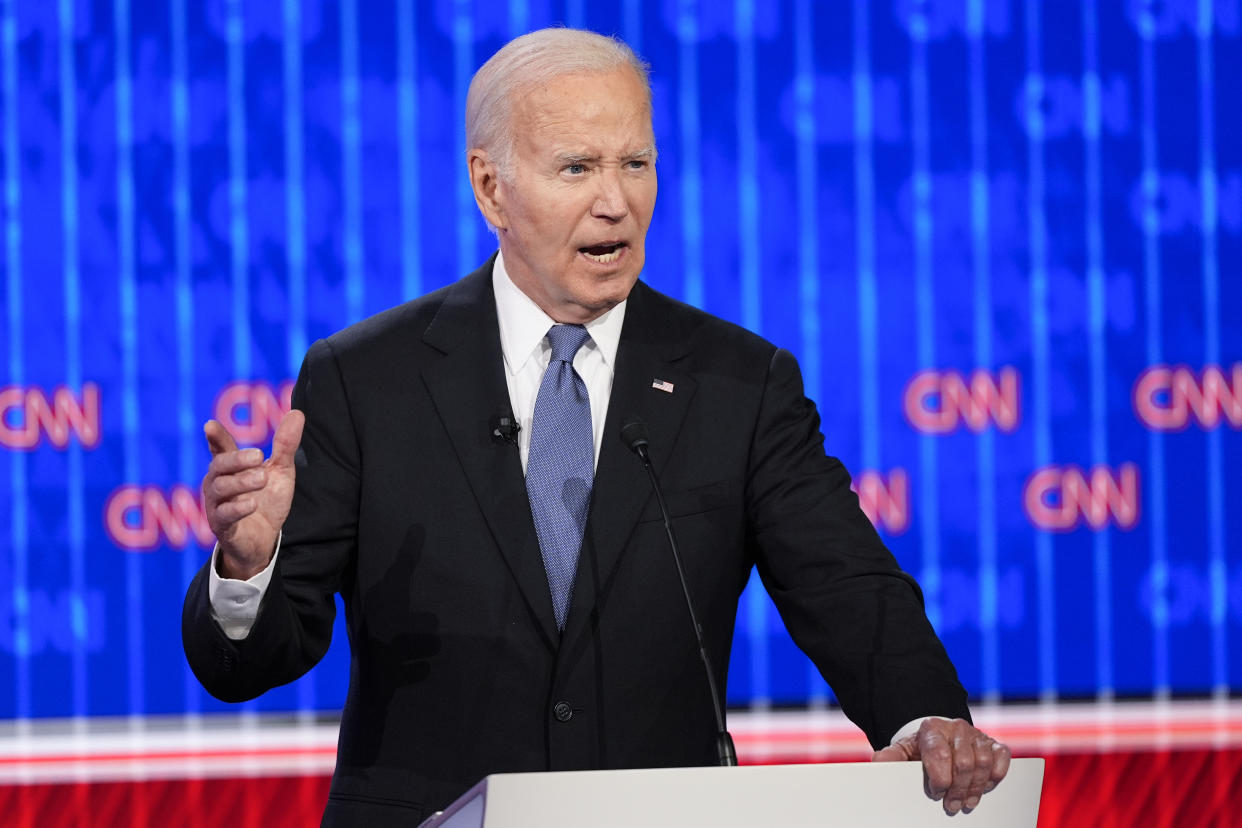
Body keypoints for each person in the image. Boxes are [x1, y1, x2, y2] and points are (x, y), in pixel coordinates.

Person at [183, 27, 1010, 825]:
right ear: (490, 188)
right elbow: (252, 664)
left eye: (636, 164)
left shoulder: (738, 382)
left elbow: (846, 585)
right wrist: (248, 569)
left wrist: (923, 721)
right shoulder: (368, 380)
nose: (615, 202)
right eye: (576, 167)